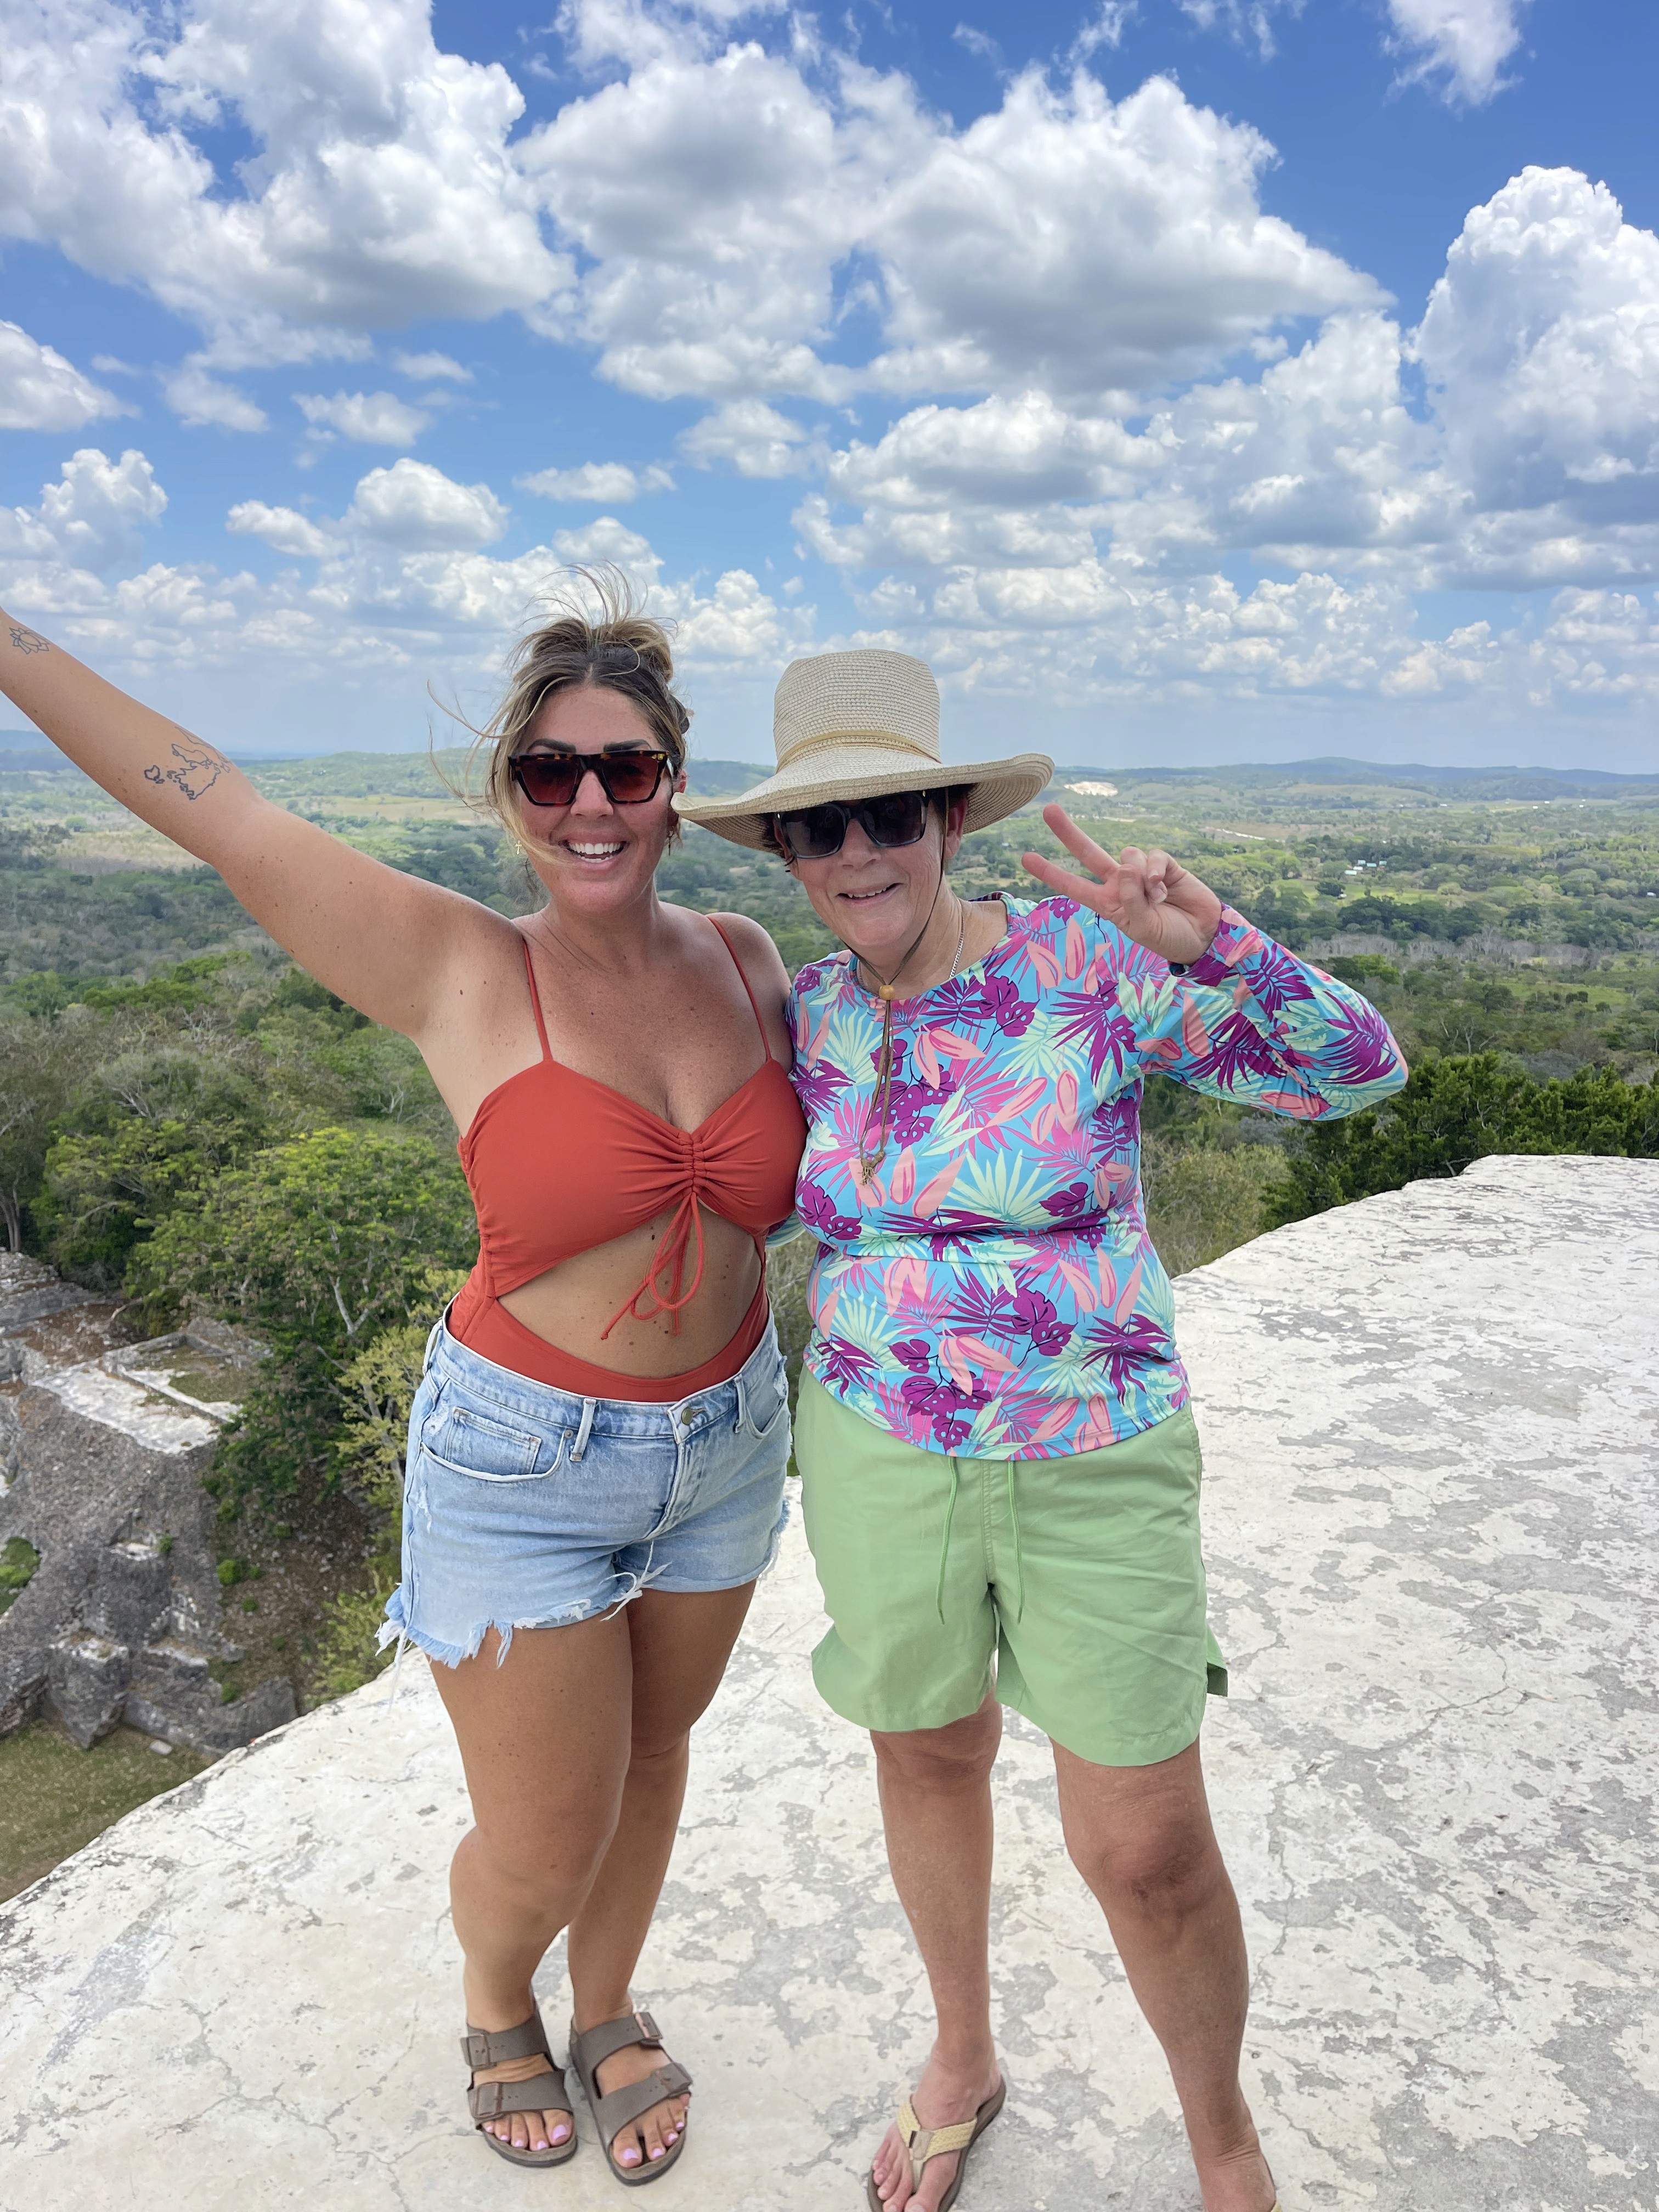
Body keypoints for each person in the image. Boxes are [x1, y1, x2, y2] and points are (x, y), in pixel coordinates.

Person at [0, 581, 806, 2182]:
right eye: (552, 772)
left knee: (655, 1758)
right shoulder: (459, 965)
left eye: (627, 770)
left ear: (674, 786)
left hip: (728, 1440)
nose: (590, 804)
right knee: (546, 1834)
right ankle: (499, 1999)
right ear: (512, 794)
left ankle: (608, 2002)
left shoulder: (745, 954)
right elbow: (221, 812)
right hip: (528, 1461)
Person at [678, 648, 1408, 2212]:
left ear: (949, 820)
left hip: (1095, 1445)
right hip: (876, 1443)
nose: (858, 853)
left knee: (1145, 1842)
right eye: (820, 828)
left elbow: (1356, 1076)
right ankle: (963, 2055)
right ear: (787, 853)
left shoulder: (1084, 960)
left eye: (890, 815)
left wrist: (1217, 946)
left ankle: (1225, 2143)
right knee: (928, 1749)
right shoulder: (810, 1013)